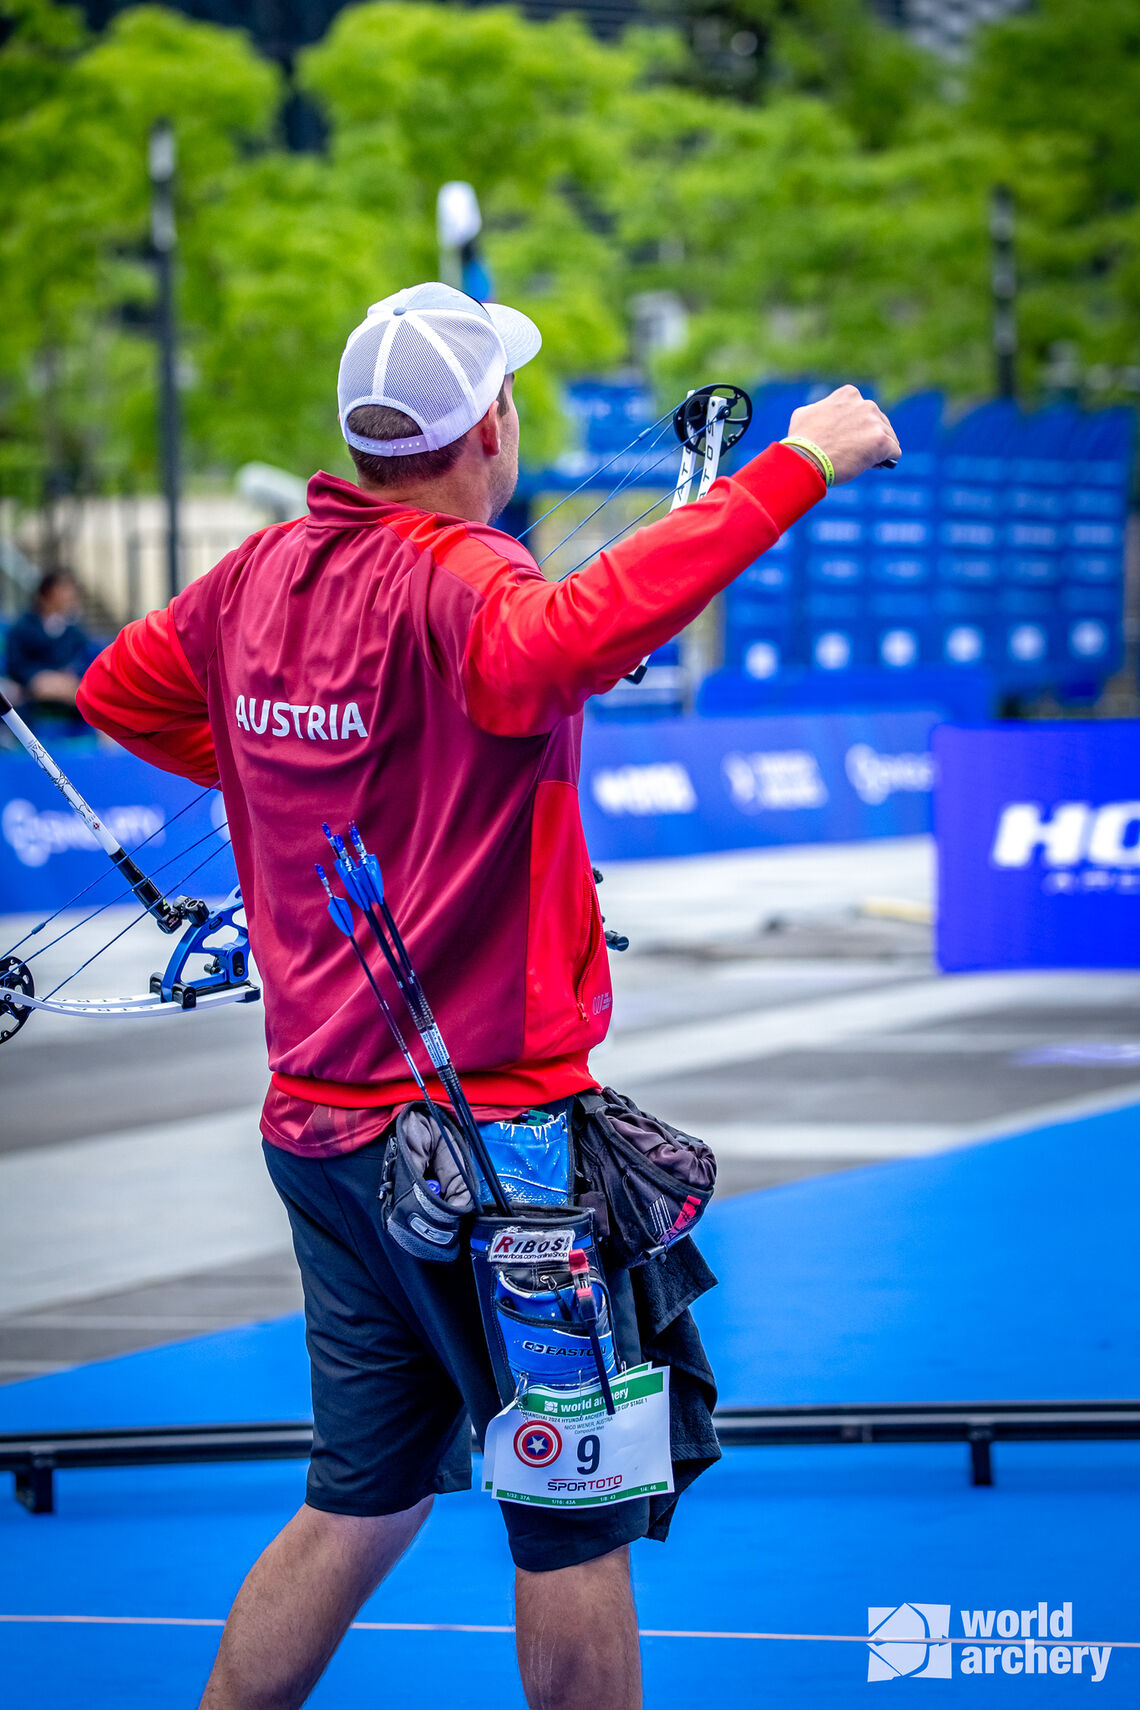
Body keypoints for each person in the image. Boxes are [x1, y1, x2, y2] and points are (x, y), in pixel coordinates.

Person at [76, 282, 899, 1710]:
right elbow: (572, 635)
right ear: (490, 426)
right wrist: (804, 460)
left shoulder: (260, 571)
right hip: (493, 1158)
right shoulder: (469, 584)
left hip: (324, 1140)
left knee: (362, 1500)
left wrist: (313, 784)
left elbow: (121, 692)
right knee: (571, 1523)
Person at [5, 569, 96, 726]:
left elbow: (82, 658)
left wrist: (67, 676)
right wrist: (38, 677)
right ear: (47, 594)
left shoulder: (73, 630)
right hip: (31, 685)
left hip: (66, 685)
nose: (68, 596)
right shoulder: (23, 627)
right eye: (62, 590)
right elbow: (16, 663)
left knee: (91, 697)